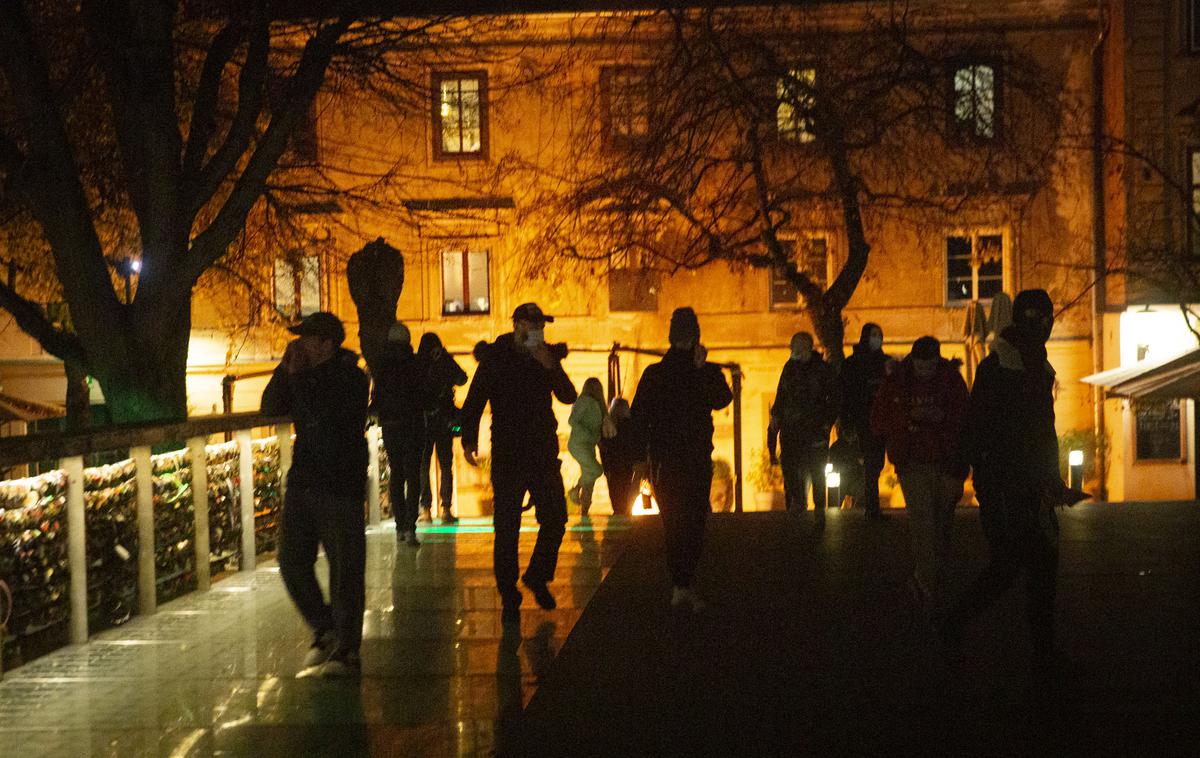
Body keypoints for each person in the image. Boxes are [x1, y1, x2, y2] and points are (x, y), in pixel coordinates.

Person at [940, 289, 1085, 671]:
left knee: (1039, 563)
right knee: (1011, 564)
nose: (1044, 324)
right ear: (1020, 321)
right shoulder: (998, 367)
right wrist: (962, 475)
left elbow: (1043, 430)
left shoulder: (1037, 364)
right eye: (1036, 317)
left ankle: (1040, 648)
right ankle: (954, 622)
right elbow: (974, 425)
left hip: (1031, 485)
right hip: (1003, 484)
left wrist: (1053, 481)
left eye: (1047, 316)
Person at [260, 311, 369, 677]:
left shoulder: (352, 378)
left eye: (307, 338)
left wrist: (299, 377)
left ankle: (347, 649)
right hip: (303, 481)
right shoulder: (300, 373)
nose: (300, 344)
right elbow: (270, 407)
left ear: (327, 344)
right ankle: (324, 627)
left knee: (345, 569)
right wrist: (284, 369)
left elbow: (322, 413)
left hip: (339, 483)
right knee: (291, 560)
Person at [460, 302, 577, 624]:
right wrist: (468, 438)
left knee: (555, 517)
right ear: (518, 326)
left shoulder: (547, 356)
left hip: (541, 451)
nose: (538, 331)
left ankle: (537, 576)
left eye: (541, 325)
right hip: (509, 453)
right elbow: (474, 400)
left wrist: (550, 365)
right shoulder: (496, 358)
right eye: (533, 325)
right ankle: (508, 592)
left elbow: (569, 395)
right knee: (507, 527)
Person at [631, 307, 733, 612]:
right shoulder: (662, 373)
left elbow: (722, 399)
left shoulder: (674, 372)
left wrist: (704, 369)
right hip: (678, 458)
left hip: (683, 457)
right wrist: (640, 458)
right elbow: (640, 417)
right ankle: (681, 583)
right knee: (684, 521)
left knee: (685, 522)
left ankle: (682, 583)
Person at [870, 336, 969, 610]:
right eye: (920, 367)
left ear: (938, 362)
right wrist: (909, 417)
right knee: (923, 522)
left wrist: (942, 418)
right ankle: (927, 583)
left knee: (942, 524)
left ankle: (933, 577)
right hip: (911, 461)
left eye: (930, 367)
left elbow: (965, 417)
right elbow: (878, 422)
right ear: (913, 361)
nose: (925, 372)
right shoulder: (897, 381)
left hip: (945, 462)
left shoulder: (951, 380)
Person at [768, 332, 840, 521]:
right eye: (792, 346)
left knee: (817, 471)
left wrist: (825, 424)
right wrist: (776, 416)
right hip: (791, 429)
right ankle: (796, 502)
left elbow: (833, 400)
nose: (794, 350)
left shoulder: (822, 370)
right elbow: (781, 394)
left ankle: (818, 509)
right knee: (790, 467)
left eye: (797, 346)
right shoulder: (789, 368)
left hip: (815, 429)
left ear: (808, 347)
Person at [371, 322, 426, 547]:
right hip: (413, 425)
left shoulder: (382, 367)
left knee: (396, 474)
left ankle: (400, 527)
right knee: (413, 475)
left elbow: (377, 396)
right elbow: (424, 393)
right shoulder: (415, 364)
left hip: (392, 425)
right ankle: (411, 527)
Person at [840, 322, 892, 518]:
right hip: (864, 420)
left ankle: (871, 505)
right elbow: (847, 394)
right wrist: (847, 421)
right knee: (871, 463)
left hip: (884, 420)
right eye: (873, 334)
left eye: (879, 334)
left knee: (876, 463)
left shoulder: (885, 362)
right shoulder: (853, 364)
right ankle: (871, 506)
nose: (877, 338)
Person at [416, 332, 468, 525]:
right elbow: (462, 379)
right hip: (443, 420)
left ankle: (427, 510)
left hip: (425, 421)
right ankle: (445, 509)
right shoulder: (442, 361)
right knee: (445, 465)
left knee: (424, 465)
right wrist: (445, 359)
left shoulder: (417, 362)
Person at [567, 377, 608, 517]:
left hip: (588, 444)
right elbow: (572, 420)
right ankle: (575, 490)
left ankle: (584, 511)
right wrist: (589, 434)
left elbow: (596, 428)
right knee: (595, 470)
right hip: (579, 443)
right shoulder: (584, 401)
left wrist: (596, 441)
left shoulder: (598, 405)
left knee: (589, 476)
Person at [599, 398, 638, 516]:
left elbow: (603, 446)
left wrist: (605, 465)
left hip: (613, 463)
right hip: (627, 463)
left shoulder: (608, 425)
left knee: (614, 487)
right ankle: (627, 510)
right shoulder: (631, 425)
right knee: (627, 486)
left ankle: (618, 510)